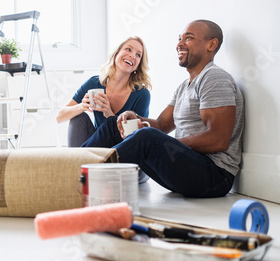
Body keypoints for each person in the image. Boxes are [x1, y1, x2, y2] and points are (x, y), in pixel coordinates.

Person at [82, 20, 244, 198]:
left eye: (188, 38)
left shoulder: (214, 78)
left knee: (147, 137)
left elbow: (218, 140)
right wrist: (134, 118)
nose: (179, 44)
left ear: (211, 44)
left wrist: (171, 146)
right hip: (187, 168)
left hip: (214, 177)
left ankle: (80, 180)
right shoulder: (184, 86)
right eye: (179, 39)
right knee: (116, 122)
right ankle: (70, 165)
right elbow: (160, 124)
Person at [56, 37, 152, 147]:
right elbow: (59, 117)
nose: (132, 56)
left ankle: (80, 161)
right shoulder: (94, 83)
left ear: (138, 66)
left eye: (138, 55)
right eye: (128, 49)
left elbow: (136, 138)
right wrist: (82, 106)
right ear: (116, 53)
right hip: (95, 144)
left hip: (122, 149)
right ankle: (78, 160)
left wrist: (109, 114)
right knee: (78, 118)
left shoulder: (141, 94)